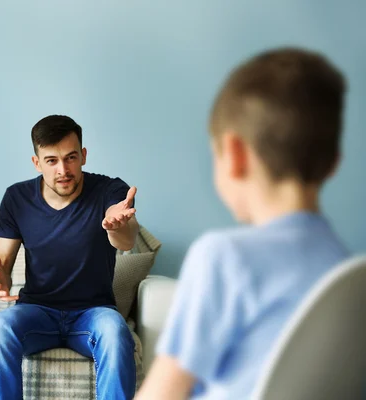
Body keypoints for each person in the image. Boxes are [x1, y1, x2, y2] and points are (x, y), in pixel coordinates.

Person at [135, 47, 350, 399]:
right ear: (333, 165)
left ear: (233, 154)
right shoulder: (346, 270)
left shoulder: (224, 256)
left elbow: (163, 393)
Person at [0, 114, 140, 400]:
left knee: (116, 333)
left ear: (84, 156)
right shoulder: (17, 198)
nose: (63, 170)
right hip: (37, 311)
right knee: (0, 328)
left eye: (71, 158)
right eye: (52, 160)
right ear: (37, 162)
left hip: (93, 312)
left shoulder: (110, 190)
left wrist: (116, 226)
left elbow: (126, 239)